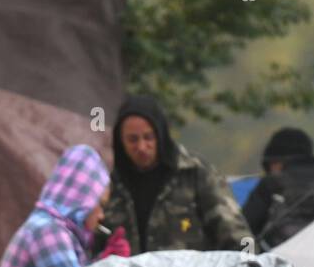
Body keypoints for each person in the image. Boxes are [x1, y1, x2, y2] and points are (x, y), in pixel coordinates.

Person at [100, 95, 251, 256]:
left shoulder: (194, 173)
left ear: (161, 135)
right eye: (132, 140)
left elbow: (236, 232)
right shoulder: (110, 185)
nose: (142, 147)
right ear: (120, 141)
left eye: (148, 137)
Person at [0, 144, 119, 267]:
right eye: (100, 204)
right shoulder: (49, 233)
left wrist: (103, 261)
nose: (101, 215)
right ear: (83, 199)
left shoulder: (49, 227)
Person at [242, 127, 314, 248]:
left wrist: (247, 261)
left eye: (269, 166)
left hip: (280, 262)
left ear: (277, 163)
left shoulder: (271, 184)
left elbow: (245, 230)